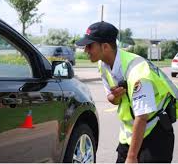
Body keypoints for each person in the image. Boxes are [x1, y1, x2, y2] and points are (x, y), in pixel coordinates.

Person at [76, 21, 177, 163]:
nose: (85, 50)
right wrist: (115, 96)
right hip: (129, 135)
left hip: (155, 134)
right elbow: (112, 98)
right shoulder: (103, 64)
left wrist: (131, 157)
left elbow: (142, 116)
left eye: (89, 46)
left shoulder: (137, 72)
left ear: (105, 47)